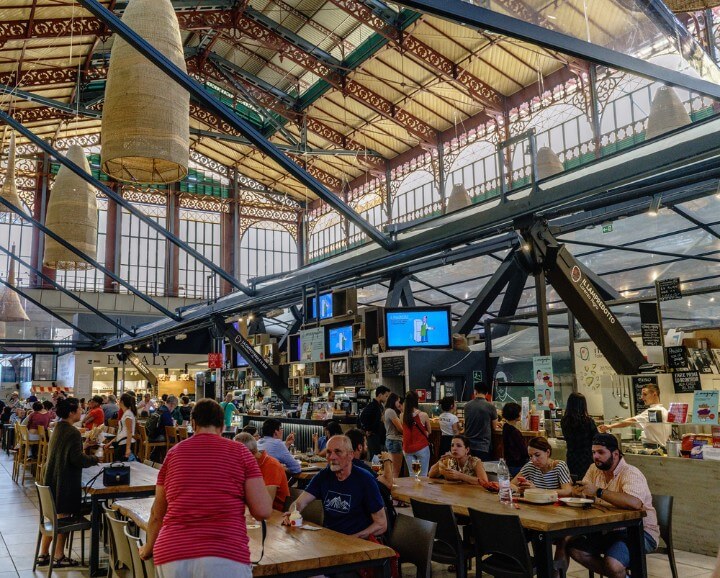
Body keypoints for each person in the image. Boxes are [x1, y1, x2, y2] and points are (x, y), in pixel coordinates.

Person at [138, 399, 272, 577]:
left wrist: (148, 549)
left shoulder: (173, 454)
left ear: (193, 424)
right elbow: (262, 511)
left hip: (172, 554)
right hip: (224, 555)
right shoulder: (241, 453)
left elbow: (157, 514)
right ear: (223, 425)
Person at [568, 433, 658, 578]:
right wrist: (580, 493)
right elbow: (584, 490)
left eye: (601, 452)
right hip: (607, 529)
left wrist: (598, 491)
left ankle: (618, 573)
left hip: (639, 531)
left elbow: (635, 503)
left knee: (613, 564)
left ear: (615, 454)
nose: (596, 456)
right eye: (593, 452)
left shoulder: (631, 473)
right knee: (574, 549)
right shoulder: (594, 469)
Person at [283, 435, 387, 539]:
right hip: (329, 540)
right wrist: (291, 513)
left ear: (350, 455)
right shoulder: (323, 475)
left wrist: (352, 539)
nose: (331, 457)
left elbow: (381, 524)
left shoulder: (365, 479)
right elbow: (299, 503)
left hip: (357, 544)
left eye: (338, 452)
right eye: (328, 452)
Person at [37, 397, 99, 568]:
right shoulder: (72, 431)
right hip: (65, 484)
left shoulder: (59, 428)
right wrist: (95, 458)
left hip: (52, 480)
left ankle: (43, 554)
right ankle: (59, 556)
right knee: (65, 517)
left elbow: (67, 452)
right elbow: (77, 460)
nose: (82, 411)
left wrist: (83, 446)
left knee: (55, 517)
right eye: (79, 409)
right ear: (72, 412)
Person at [599, 383, 671, 449]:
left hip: (653, 447)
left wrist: (609, 426)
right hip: (661, 447)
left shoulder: (653, 412)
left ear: (654, 394)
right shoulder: (664, 410)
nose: (642, 397)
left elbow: (630, 421)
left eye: (645, 394)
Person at [235, 432, 289, 512]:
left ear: (248, 453)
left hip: (276, 514)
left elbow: (267, 503)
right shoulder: (248, 465)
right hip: (254, 510)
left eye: (237, 455)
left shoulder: (271, 465)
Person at [561, 392, 598, 479]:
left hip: (571, 457)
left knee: (574, 480)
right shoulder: (588, 421)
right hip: (586, 457)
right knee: (587, 480)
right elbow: (596, 438)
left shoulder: (564, 421)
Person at [463, 382, 499, 461]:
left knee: (468, 470)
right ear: (486, 393)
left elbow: (466, 422)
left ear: (475, 391)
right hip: (483, 446)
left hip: (468, 445)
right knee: (482, 470)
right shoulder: (490, 406)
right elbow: (494, 427)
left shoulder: (467, 406)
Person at [401, 390, 431, 477]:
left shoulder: (402, 415)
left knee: (412, 474)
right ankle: (422, 491)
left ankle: (413, 490)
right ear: (416, 400)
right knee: (423, 475)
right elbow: (429, 431)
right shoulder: (424, 415)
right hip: (421, 447)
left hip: (407, 448)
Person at [358, 385, 390, 460]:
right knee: (376, 458)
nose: (387, 398)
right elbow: (362, 417)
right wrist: (368, 429)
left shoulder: (379, 406)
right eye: (386, 396)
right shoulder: (372, 406)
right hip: (373, 436)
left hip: (379, 436)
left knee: (379, 457)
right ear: (380, 395)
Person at [105, 393, 136, 461]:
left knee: (122, 468)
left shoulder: (128, 414)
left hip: (125, 444)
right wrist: (110, 443)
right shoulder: (126, 413)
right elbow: (121, 431)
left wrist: (128, 448)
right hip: (122, 442)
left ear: (122, 402)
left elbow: (129, 432)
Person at [501, 402, 528, 476]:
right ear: (516, 414)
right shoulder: (515, 432)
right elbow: (524, 451)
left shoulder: (505, 427)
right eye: (519, 412)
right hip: (518, 465)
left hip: (509, 463)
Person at [383, 393, 404, 477]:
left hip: (390, 440)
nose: (399, 403)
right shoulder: (391, 411)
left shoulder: (387, 411)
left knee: (392, 468)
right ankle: (393, 488)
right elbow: (400, 429)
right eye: (398, 401)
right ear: (394, 401)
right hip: (395, 441)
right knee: (396, 470)